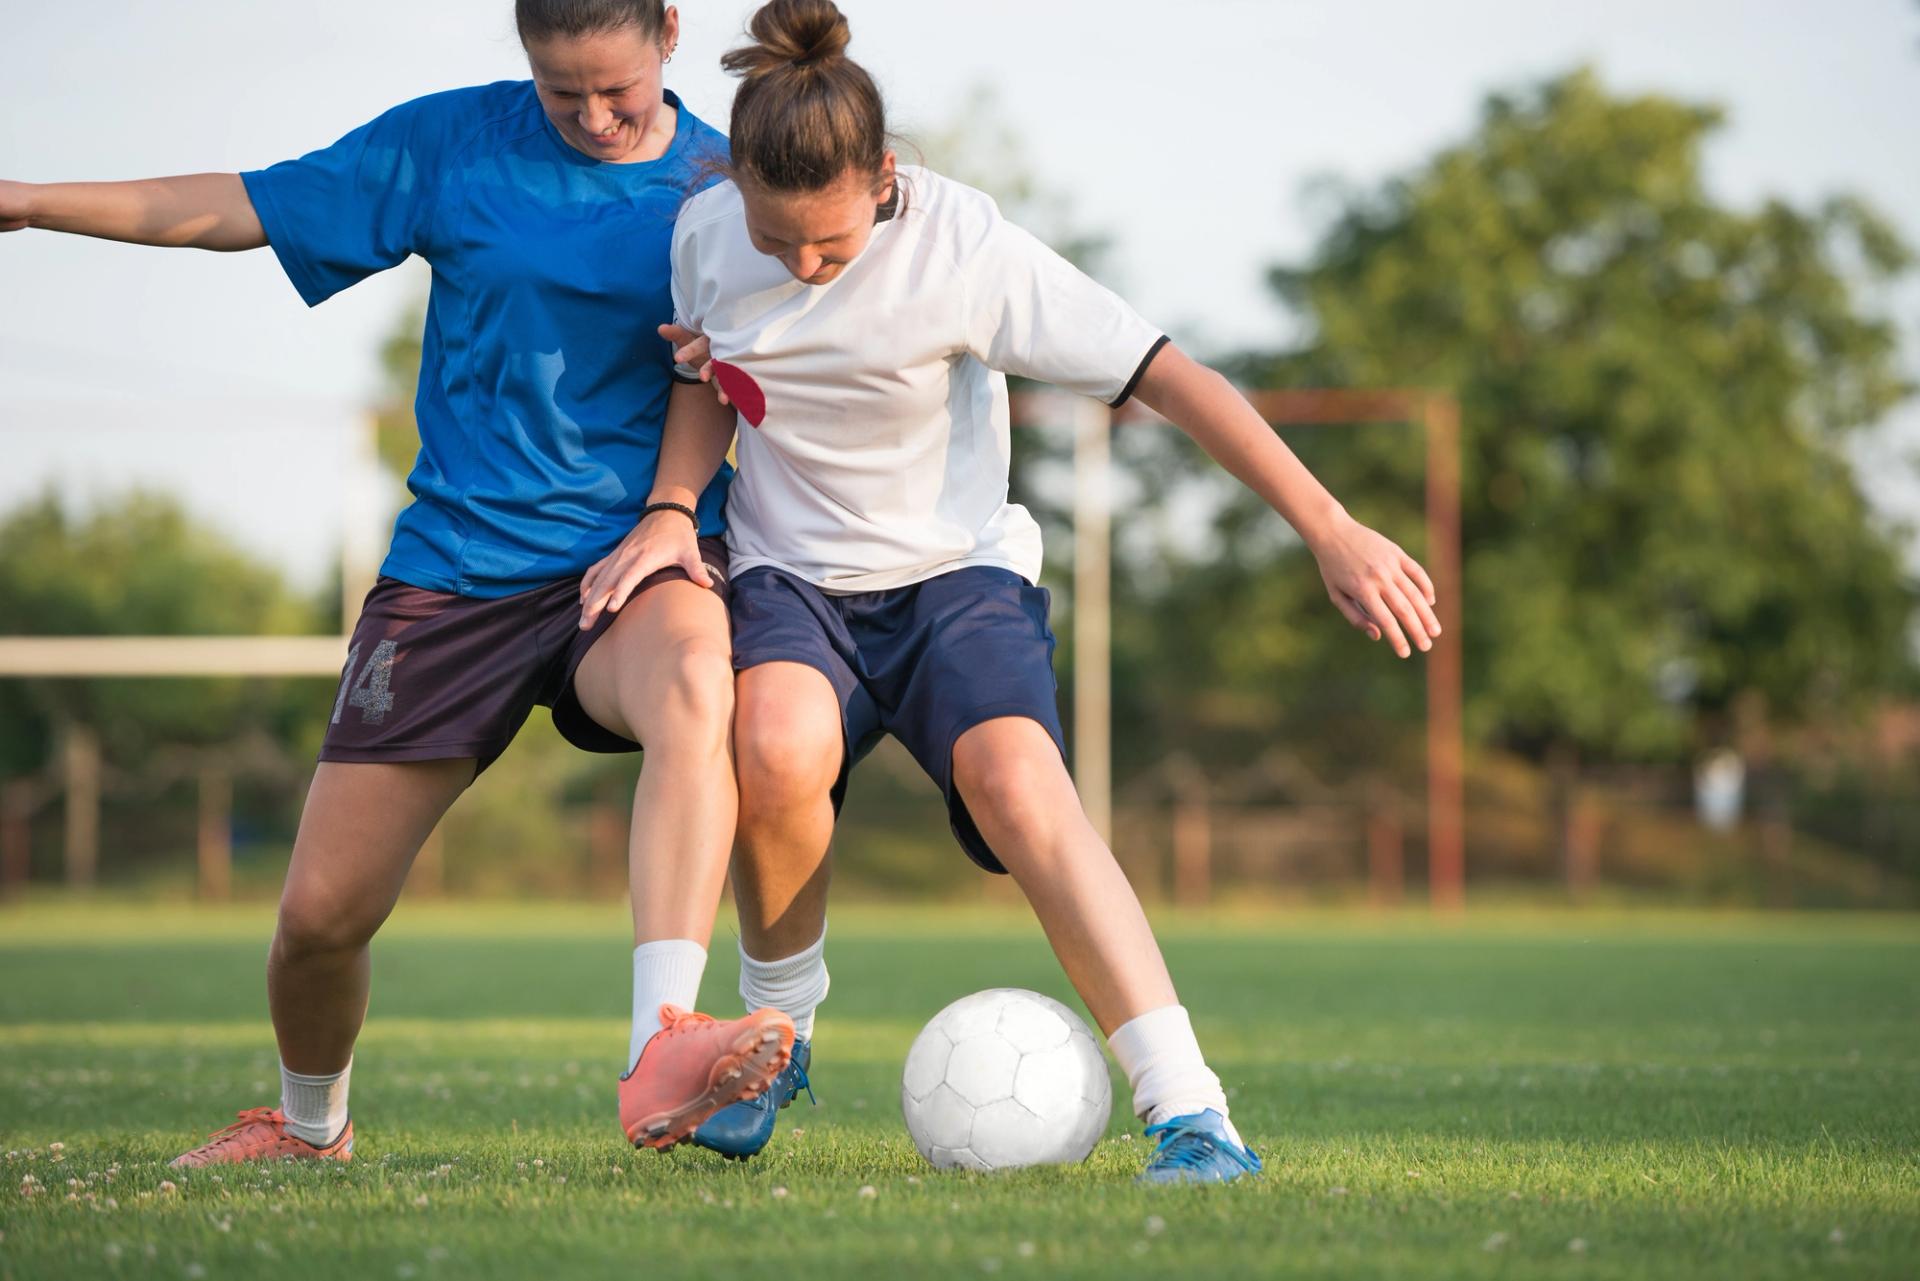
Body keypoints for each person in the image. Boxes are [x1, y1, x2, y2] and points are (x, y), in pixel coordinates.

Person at [585, 0, 1442, 1182]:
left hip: (954, 576)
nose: (804, 267)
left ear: (884, 178)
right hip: (793, 577)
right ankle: (776, 1040)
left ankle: (1192, 1110)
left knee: (1017, 781)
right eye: (780, 245)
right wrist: (671, 512)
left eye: (830, 245)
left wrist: (1329, 525)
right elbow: (710, 376)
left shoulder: (967, 249)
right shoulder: (705, 233)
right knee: (774, 749)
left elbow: (1169, 376)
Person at [0, 0, 793, 1165]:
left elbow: (794, 328)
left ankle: (660, 1046)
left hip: (634, 556)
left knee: (692, 676)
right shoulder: (451, 146)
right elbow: (248, 204)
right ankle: (311, 1128)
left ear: (671, 32)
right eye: (559, 90)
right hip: (456, 575)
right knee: (320, 921)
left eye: (614, 88)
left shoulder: (730, 186)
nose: (590, 114)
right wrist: (26, 200)